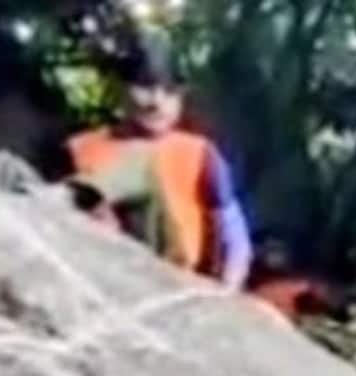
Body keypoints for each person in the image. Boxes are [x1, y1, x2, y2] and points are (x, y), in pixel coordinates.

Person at [65, 38, 252, 288]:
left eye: (169, 91)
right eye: (144, 87)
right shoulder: (82, 149)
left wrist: (227, 291)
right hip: (101, 282)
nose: (157, 102)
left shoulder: (199, 153)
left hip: (180, 285)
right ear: (120, 89)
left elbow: (235, 239)